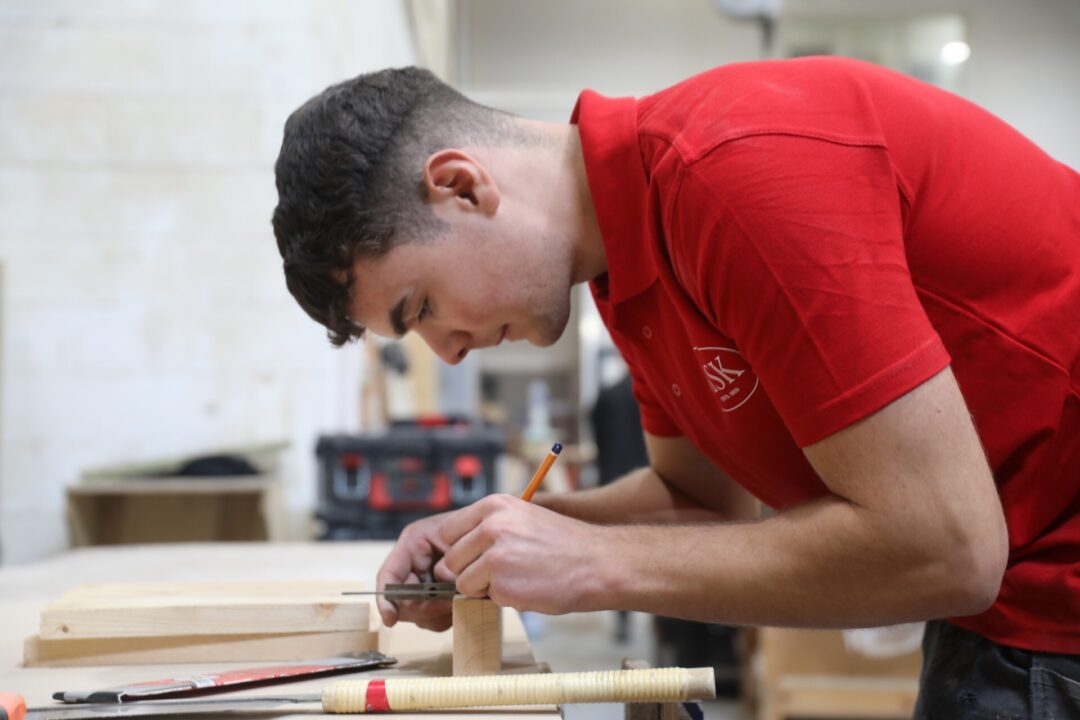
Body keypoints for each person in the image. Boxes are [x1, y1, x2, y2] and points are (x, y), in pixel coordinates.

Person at [272, 57, 1080, 716]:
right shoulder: (627, 264)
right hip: (1009, 603)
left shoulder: (734, 178)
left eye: (421, 308)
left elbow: (948, 548)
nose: (446, 354)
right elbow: (699, 504)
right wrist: (508, 537)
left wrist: (596, 564)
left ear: (461, 186)